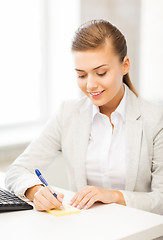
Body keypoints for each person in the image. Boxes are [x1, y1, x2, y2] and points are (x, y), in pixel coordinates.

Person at [5, 19, 163, 214]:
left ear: (125, 65)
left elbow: (160, 199)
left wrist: (113, 196)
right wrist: (35, 190)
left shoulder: (155, 120)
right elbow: (16, 171)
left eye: (101, 72)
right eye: (81, 75)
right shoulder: (68, 114)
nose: (90, 85)